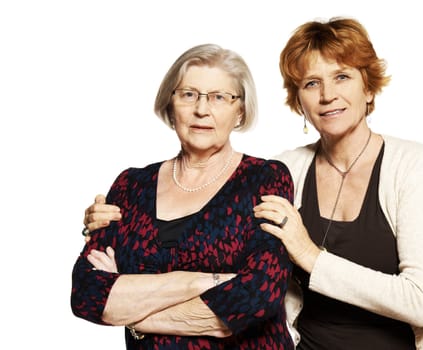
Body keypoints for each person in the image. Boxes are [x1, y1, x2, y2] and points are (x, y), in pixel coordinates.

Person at [82, 18, 423, 350]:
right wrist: (112, 224)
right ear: (299, 100)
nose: (328, 95)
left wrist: (308, 254)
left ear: (369, 87)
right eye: (312, 83)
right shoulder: (288, 169)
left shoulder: (412, 165)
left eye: (342, 76)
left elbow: (420, 300)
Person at [71, 43, 295, 349]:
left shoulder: (264, 179)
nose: (202, 109)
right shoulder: (130, 185)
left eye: (219, 97)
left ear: (239, 111)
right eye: (189, 94)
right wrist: (201, 281)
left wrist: (135, 317)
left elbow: (257, 294)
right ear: (170, 104)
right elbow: (86, 293)